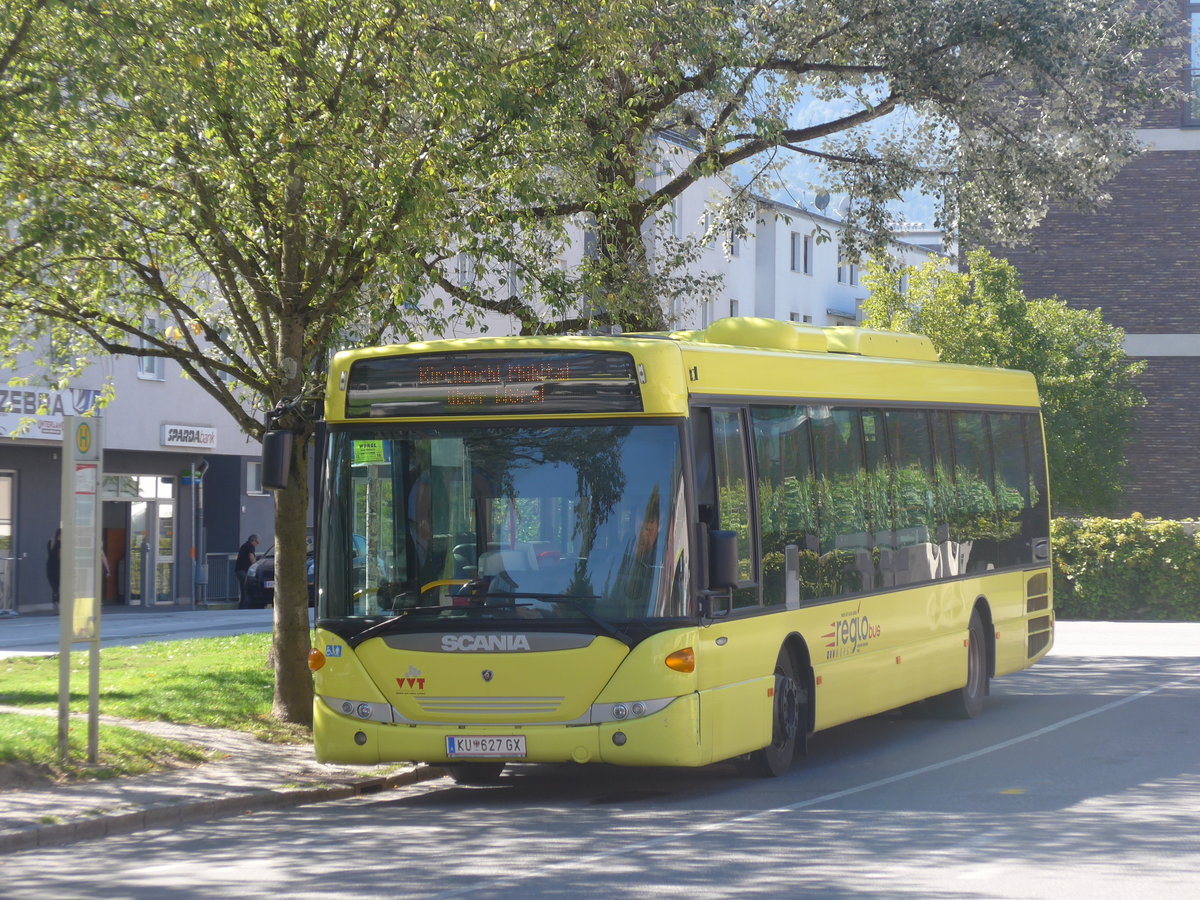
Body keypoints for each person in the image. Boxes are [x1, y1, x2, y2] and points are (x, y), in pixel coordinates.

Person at [235, 534, 259, 609]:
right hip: (243, 571)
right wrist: (256, 566)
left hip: (239, 570)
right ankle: (245, 606)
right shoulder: (250, 546)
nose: (257, 544)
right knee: (246, 589)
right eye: (257, 542)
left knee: (243, 589)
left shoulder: (245, 545)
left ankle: (242, 605)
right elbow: (251, 557)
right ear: (253, 541)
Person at [46, 528, 61, 614]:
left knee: (55, 589)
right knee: (57, 589)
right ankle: (58, 608)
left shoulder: (51, 542)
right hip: (58, 568)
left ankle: (57, 608)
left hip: (50, 568)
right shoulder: (61, 544)